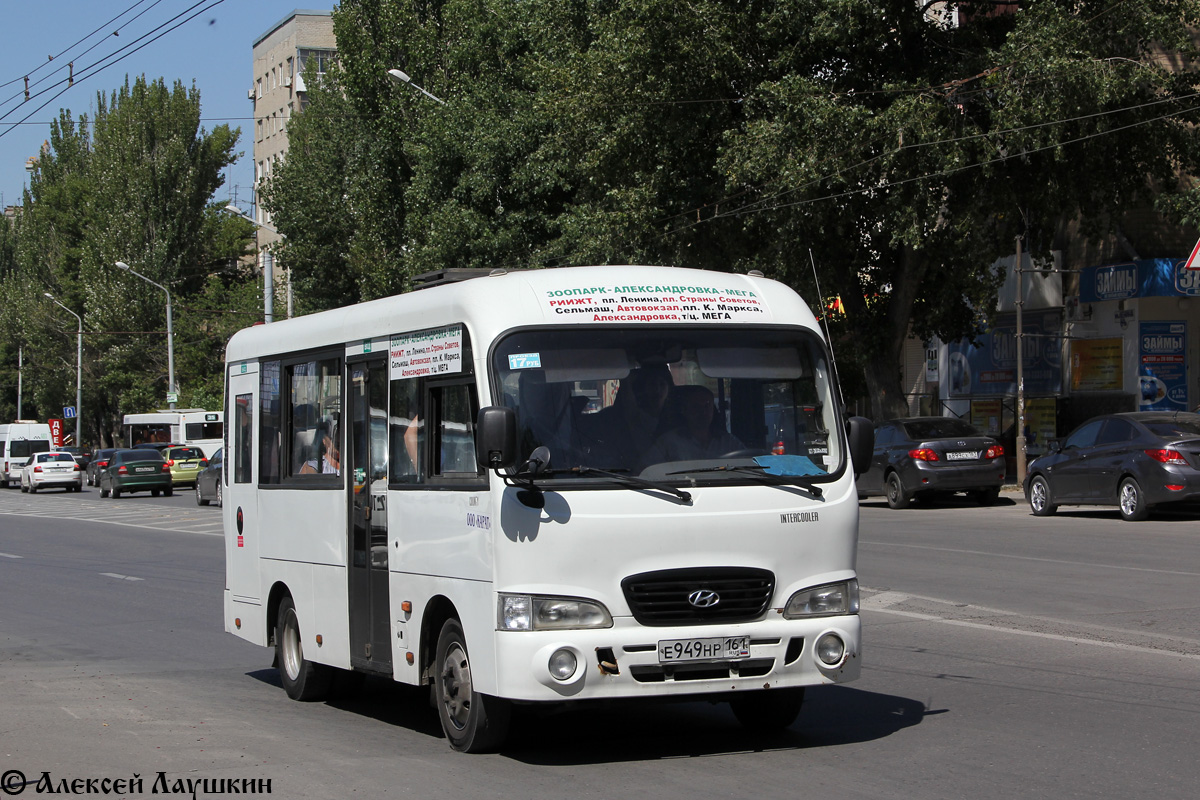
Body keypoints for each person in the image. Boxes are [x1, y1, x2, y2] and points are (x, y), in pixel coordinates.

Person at [578, 365, 672, 469]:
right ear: (645, 389)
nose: (657, 390)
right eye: (652, 385)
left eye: (662, 384)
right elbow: (629, 405)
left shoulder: (675, 420)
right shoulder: (637, 418)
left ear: (669, 389)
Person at [640, 384, 743, 467]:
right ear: (684, 411)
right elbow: (643, 470)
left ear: (713, 410)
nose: (702, 412)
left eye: (707, 406)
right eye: (695, 407)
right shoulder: (668, 443)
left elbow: (752, 464)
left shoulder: (729, 442)